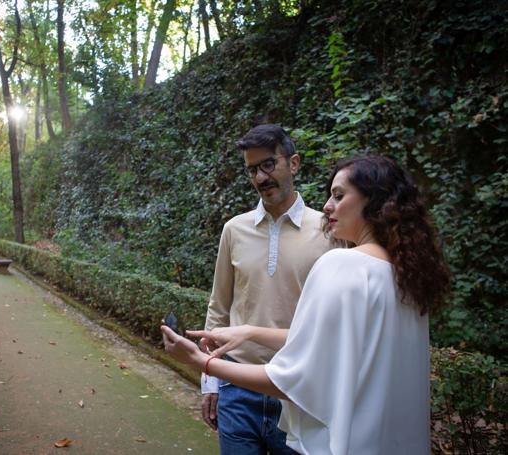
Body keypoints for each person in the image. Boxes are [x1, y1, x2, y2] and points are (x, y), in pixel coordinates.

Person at [163, 155, 450, 454]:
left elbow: (289, 380)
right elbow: (330, 344)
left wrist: (201, 361)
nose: (327, 206)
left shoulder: (340, 265)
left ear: (375, 202)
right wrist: (249, 331)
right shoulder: (406, 278)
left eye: (339, 196)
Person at [201, 124, 334, 454]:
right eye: (252, 170)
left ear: (293, 163)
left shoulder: (329, 231)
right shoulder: (235, 229)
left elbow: (337, 320)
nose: (260, 178)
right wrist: (210, 380)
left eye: (268, 164)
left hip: (300, 389)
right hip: (238, 386)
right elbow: (219, 306)